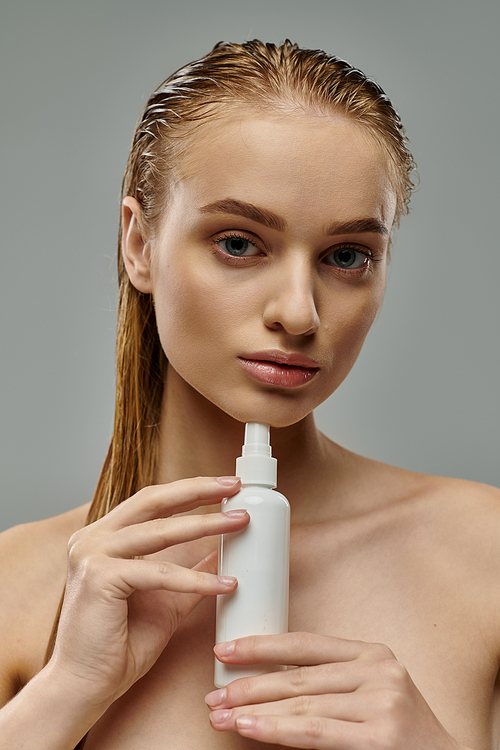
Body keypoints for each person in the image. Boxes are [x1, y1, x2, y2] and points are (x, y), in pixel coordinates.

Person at [0, 39, 498, 750]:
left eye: (347, 257)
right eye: (239, 243)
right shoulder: (18, 585)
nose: (299, 312)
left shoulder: (485, 555)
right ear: (138, 245)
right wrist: (67, 689)